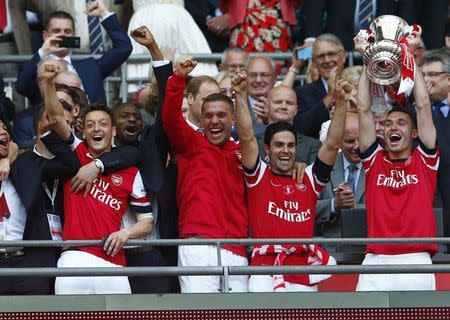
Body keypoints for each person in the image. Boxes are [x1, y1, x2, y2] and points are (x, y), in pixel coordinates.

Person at [41, 61, 153, 294]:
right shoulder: (77, 150)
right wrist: (49, 83)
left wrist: (126, 233)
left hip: (113, 262)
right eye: (90, 125)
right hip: (74, 257)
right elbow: (55, 116)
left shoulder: (131, 172)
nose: (96, 129)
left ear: (113, 131)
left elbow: (147, 221)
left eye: (103, 124)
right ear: (83, 131)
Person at [233, 71, 351, 292]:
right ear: (267, 149)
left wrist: (342, 102)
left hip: (303, 270)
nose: (285, 151)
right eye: (279, 145)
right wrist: (240, 95)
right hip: (264, 272)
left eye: (290, 145)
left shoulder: (309, 178)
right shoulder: (258, 177)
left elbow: (333, 144)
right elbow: (247, 137)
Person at [354, 36, 439, 291]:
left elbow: (423, 105)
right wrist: (368, 58)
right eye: (389, 123)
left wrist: (409, 55)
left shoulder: (424, 161)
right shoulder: (374, 160)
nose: (393, 127)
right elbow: (362, 108)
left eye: (401, 123)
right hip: (375, 260)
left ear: (413, 134)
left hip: (417, 260)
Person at [162, 56, 248, 293]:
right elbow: (170, 119)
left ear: (232, 119)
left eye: (221, 115)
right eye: (208, 115)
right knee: (198, 313)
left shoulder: (243, 152)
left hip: (237, 246)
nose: (214, 120)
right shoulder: (191, 143)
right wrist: (178, 78)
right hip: (197, 244)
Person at [15, 0, 132, 106]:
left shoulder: (90, 67)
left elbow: (124, 48)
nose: (62, 35)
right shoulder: (38, 69)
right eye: (56, 31)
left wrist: (104, 14)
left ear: (74, 36)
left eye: (67, 31)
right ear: (46, 35)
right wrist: (43, 52)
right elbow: (21, 87)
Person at [316, 112, 365, 249]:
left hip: (372, 250)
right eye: (350, 141)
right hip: (331, 252)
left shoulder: (379, 167)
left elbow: (390, 209)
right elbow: (305, 209)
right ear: (338, 142)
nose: (357, 146)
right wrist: (334, 204)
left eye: (361, 139)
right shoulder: (323, 167)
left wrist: (355, 207)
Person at [293, 34, 346, 139]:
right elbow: (301, 129)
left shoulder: (357, 84)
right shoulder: (302, 92)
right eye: (321, 56)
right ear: (314, 62)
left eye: (331, 54)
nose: (326, 60)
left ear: (343, 57)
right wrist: (330, 96)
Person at [421, 49, 450, 242]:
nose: (426, 80)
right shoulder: (413, 113)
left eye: (432, 74)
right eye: (422, 75)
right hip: (431, 203)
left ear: (448, 79)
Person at [255, 85, 321, 165]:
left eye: (289, 103)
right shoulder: (253, 142)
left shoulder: (312, 145)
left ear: (296, 110)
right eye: (278, 102)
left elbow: (314, 175)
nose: (284, 106)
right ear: (266, 107)